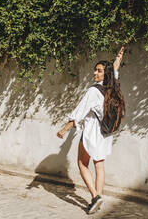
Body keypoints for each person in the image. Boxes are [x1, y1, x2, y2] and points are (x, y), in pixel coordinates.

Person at [57, 46, 125, 214]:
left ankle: (95, 196)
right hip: (106, 132)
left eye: (99, 71)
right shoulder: (113, 85)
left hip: (92, 131)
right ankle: (98, 197)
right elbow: (115, 68)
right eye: (95, 70)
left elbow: (79, 113)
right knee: (99, 165)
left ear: (104, 74)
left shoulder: (94, 91)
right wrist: (119, 55)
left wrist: (64, 129)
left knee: (82, 164)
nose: (95, 73)